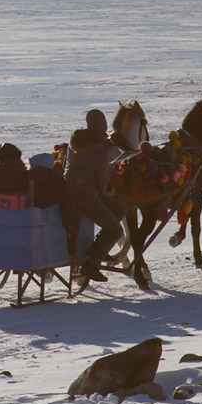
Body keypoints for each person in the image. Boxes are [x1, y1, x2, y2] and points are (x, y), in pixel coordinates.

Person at [64, 109, 126, 282]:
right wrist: (102, 191)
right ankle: (91, 265)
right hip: (87, 197)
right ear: (102, 124)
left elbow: (66, 165)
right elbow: (102, 177)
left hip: (69, 192)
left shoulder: (74, 140)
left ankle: (99, 250)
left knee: (119, 208)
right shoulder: (99, 146)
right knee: (115, 229)